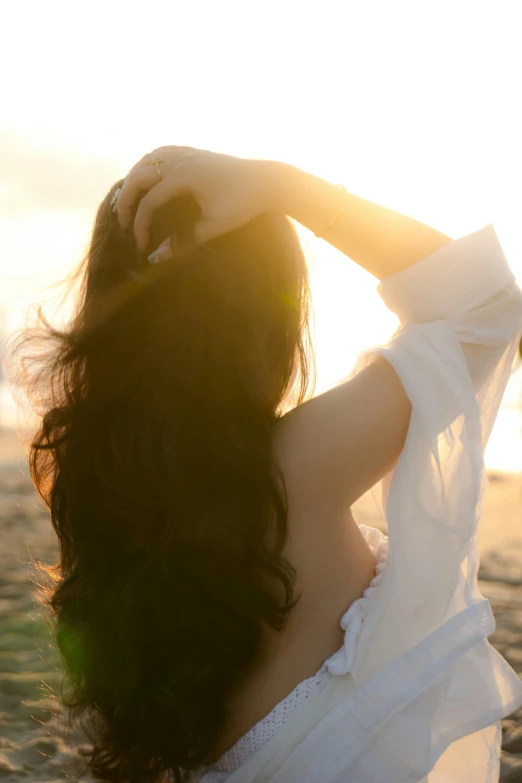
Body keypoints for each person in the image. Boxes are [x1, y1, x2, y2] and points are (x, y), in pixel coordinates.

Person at [8, 146, 522, 783]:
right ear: (266, 316)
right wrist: (289, 189)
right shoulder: (296, 464)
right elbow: (488, 304)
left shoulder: (100, 483)